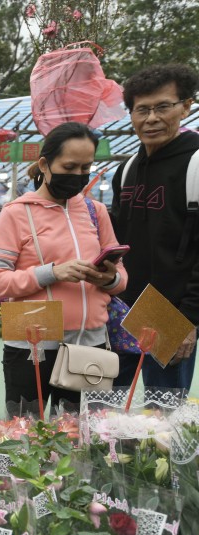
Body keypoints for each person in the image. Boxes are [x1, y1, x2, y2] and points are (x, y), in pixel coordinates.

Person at [0, 122, 127, 415]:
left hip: (89, 341)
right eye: (70, 166)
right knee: (25, 433)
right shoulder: (16, 213)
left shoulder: (95, 212)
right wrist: (52, 272)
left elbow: (121, 276)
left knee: (78, 436)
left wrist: (109, 278)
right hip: (30, 343)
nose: (78, 176)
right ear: (45, 165)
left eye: (85, 167)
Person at [111, 64, 199, 390]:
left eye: (163, 107)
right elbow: (115, 242)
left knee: (163, 422)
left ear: (186, 105)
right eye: (142, 110)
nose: (151, 119)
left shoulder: (195, 164)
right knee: (110, 412)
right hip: (122, 310)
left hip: (169, 313)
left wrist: (188, 320)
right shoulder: (127, 169)